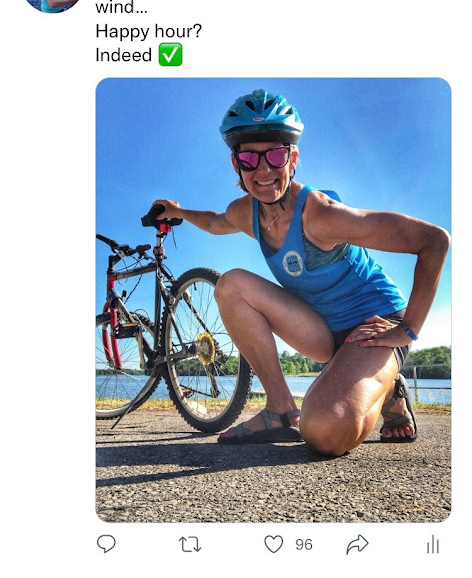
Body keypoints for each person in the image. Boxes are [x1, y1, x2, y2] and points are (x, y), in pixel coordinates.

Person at [152, 89, 450, 457]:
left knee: (324, 432)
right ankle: (280, 411)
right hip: (320, 329)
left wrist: (407, 330)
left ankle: (389, 387)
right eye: (249, 158)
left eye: (276, 155)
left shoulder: (321, 215)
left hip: (374, 325)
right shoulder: (246, 212)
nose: (263, 170)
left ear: (292, 158)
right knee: (231, 286)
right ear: (236, 164)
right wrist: (178, 212)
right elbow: (214, 222)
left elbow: (433, 241)